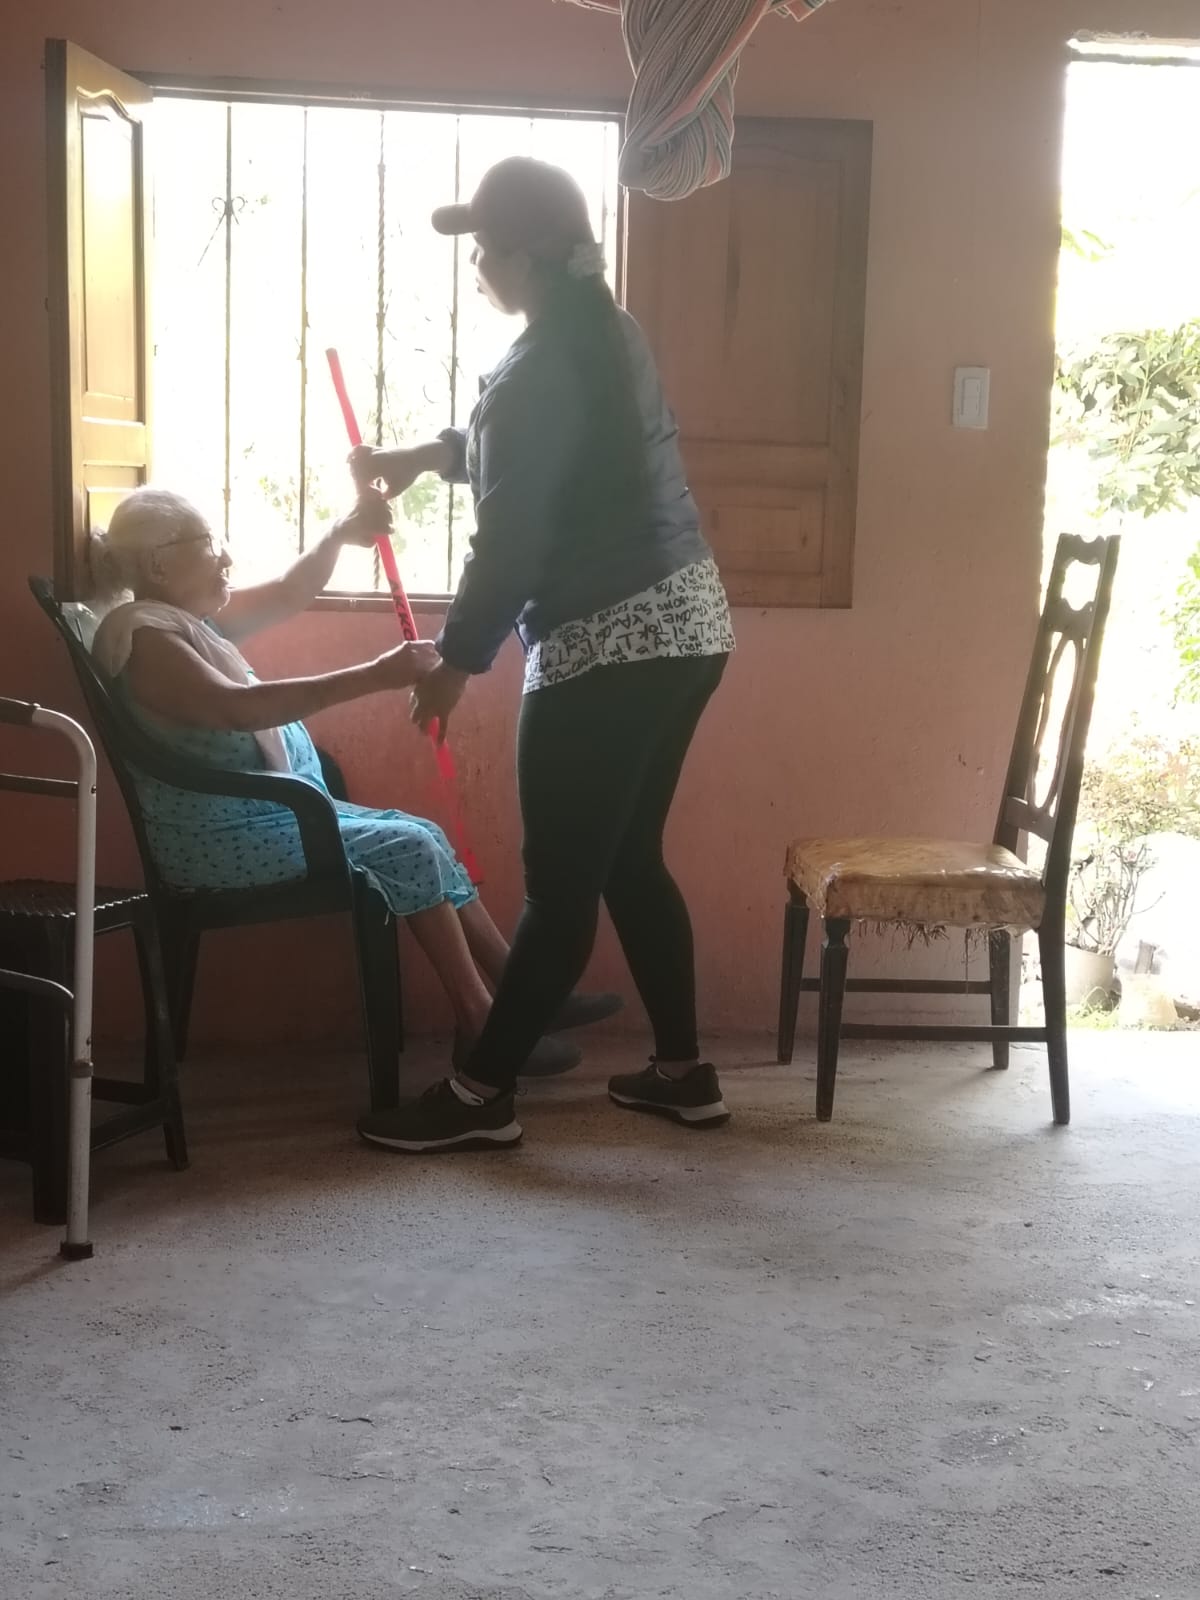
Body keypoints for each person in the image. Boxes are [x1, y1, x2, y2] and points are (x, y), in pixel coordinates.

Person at [350, 156, 736, 1155]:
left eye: (484, 248)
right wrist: (419, 456)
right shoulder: (607, 333)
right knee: (630, 859)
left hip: (607, 643)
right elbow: (542, 452)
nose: (477, 265)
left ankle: (481, 1093)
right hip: (688, 626)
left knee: (561, 888)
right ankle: (682, 1074)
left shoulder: (533, 372)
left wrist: (454, 662)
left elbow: (512, 542)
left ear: (524, 257)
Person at [88, 486, 620, 1082]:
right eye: (209, 543)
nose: (226, 556)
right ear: (158, 564)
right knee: (409, 845)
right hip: (219, 838)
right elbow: (239, 709)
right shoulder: (149, 642)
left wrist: (340, 533)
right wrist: (376, 674)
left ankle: (524, 998)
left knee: (423, 834)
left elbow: (289, 592)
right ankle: (482, 1025)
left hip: (270, 818)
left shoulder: (184, 621)